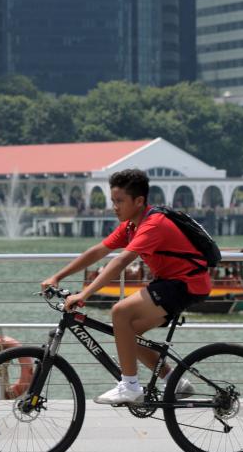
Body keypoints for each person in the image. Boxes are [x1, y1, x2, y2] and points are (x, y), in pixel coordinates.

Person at [40, 168, 211, 405]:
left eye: (120, 201)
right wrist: (57, 276)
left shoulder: (153, 224)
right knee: (128, 333)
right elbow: (98, 251)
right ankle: (175, 381)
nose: (114, 207)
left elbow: (120, 261)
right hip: (170, 282)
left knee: (120, 312)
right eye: (113, 201)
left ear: (139, 201)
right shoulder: (131, 226)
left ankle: (130, 386)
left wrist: (85, 293)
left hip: (186, 283)